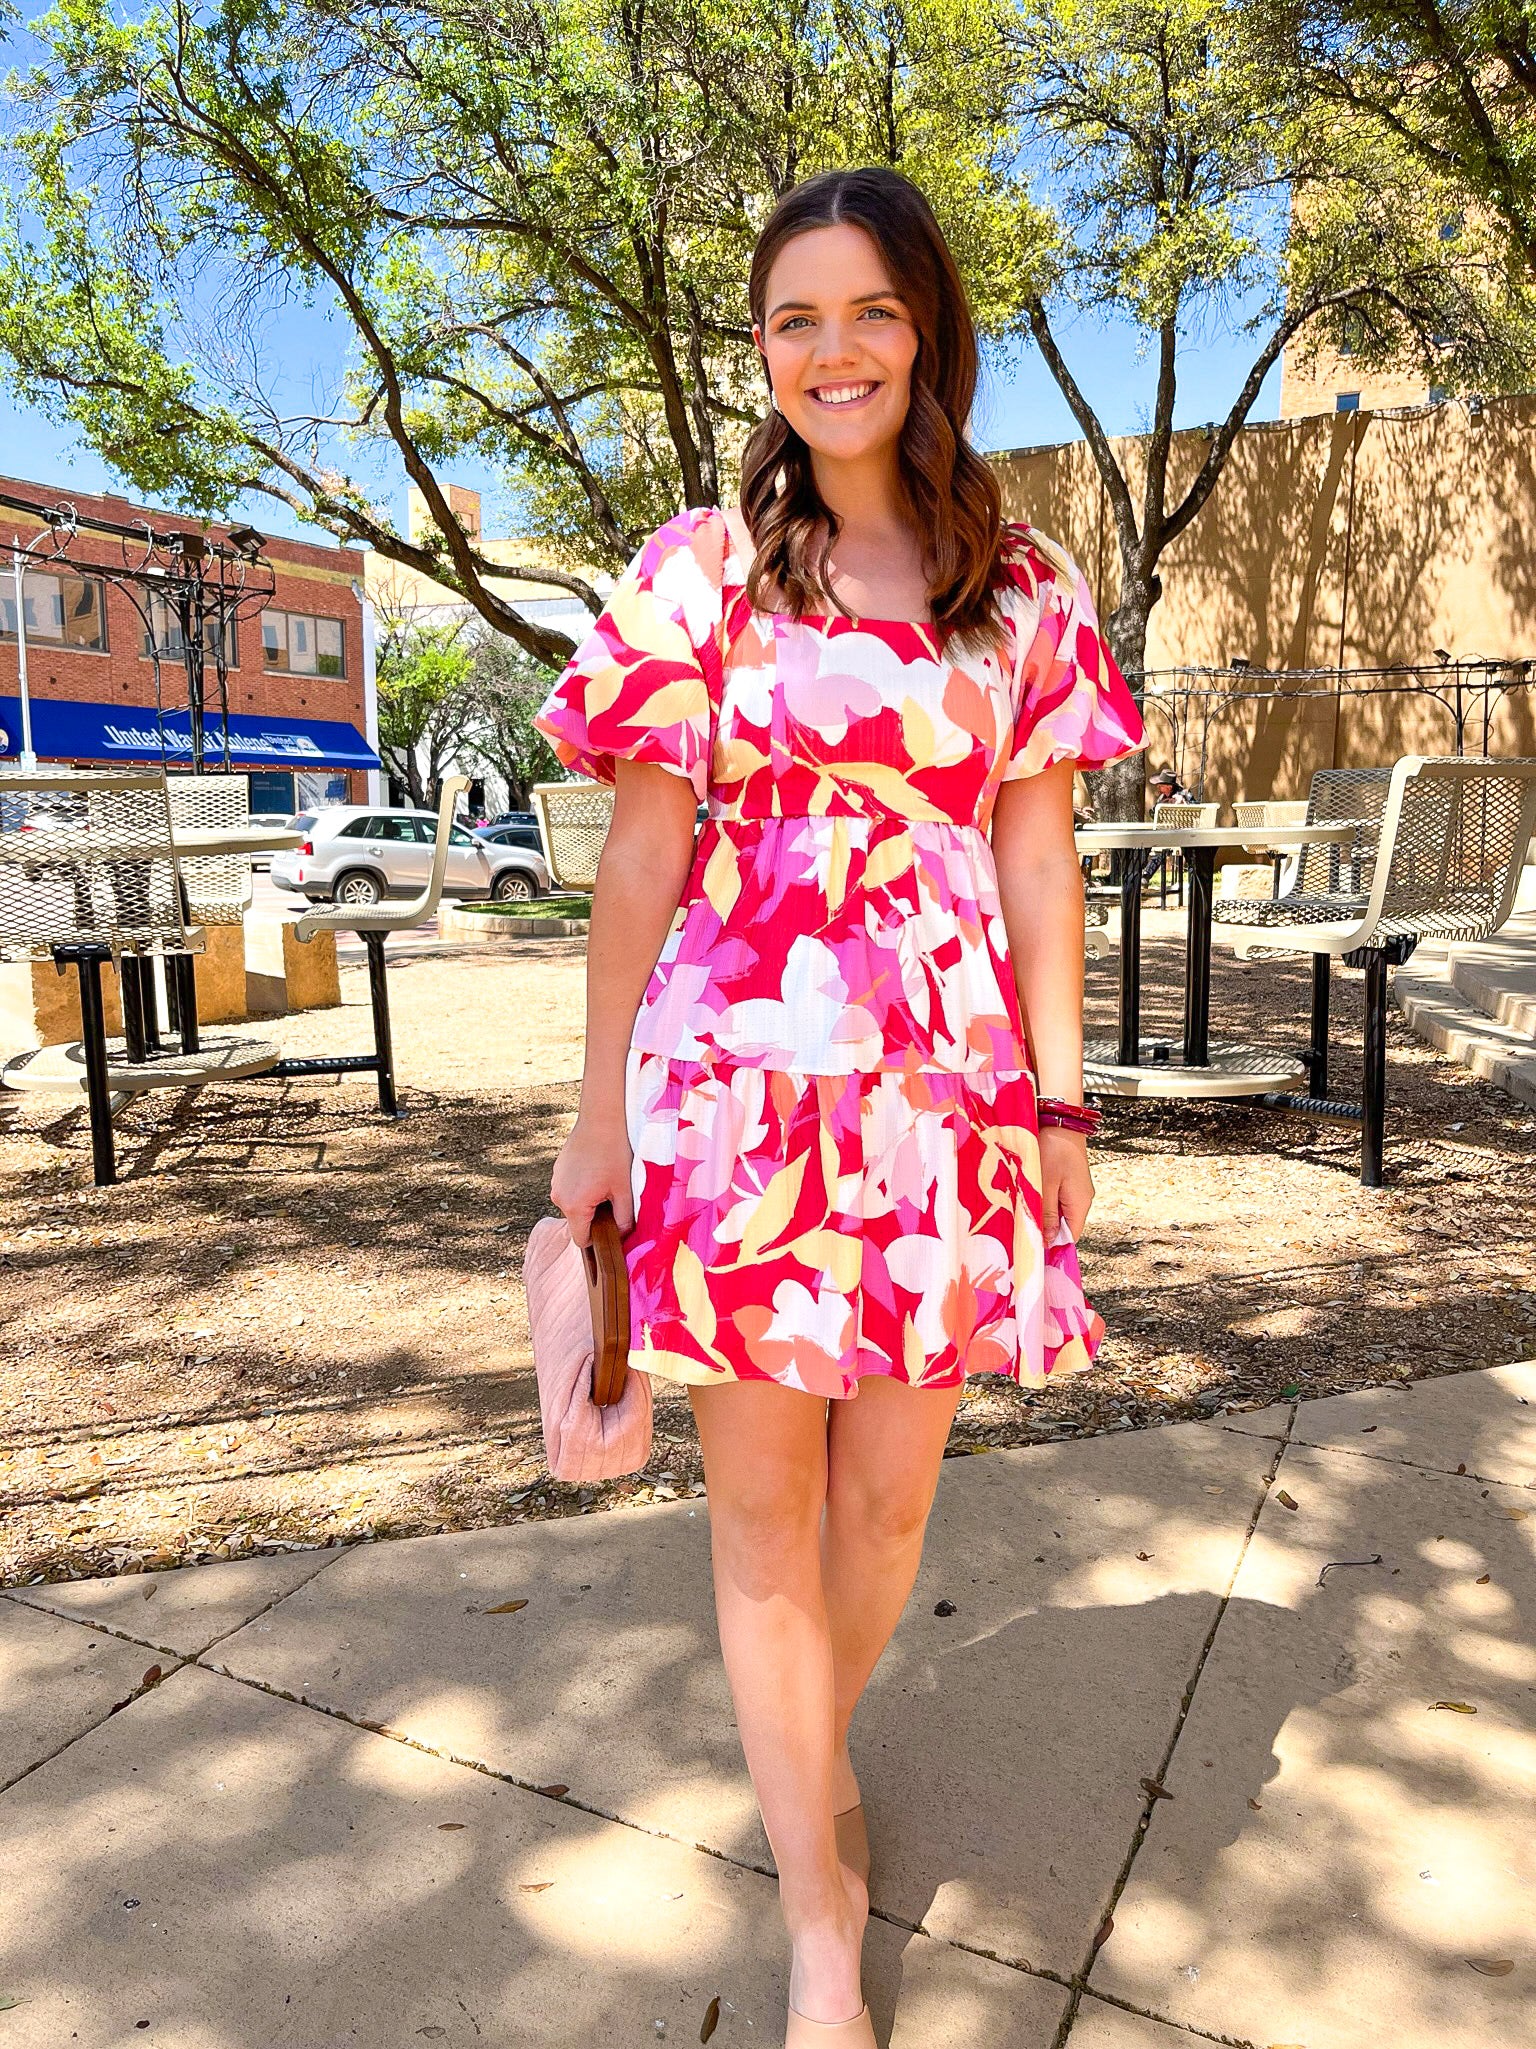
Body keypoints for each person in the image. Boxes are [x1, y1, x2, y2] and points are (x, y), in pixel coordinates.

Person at [533, 167, 1145, 2046]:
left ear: (926, 330)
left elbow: (1038, 860)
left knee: (884, 1511)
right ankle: (821, 1909)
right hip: (730, 1082)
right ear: (764, 353)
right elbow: (642, 855)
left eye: (866, 310)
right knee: (759, 1522)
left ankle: (812, 1752)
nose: (831, 350)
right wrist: (594, 1110)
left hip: (943, 1095)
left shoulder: (1020, 582)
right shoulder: (701, 566)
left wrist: (1058, 1092)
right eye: (793, 318)